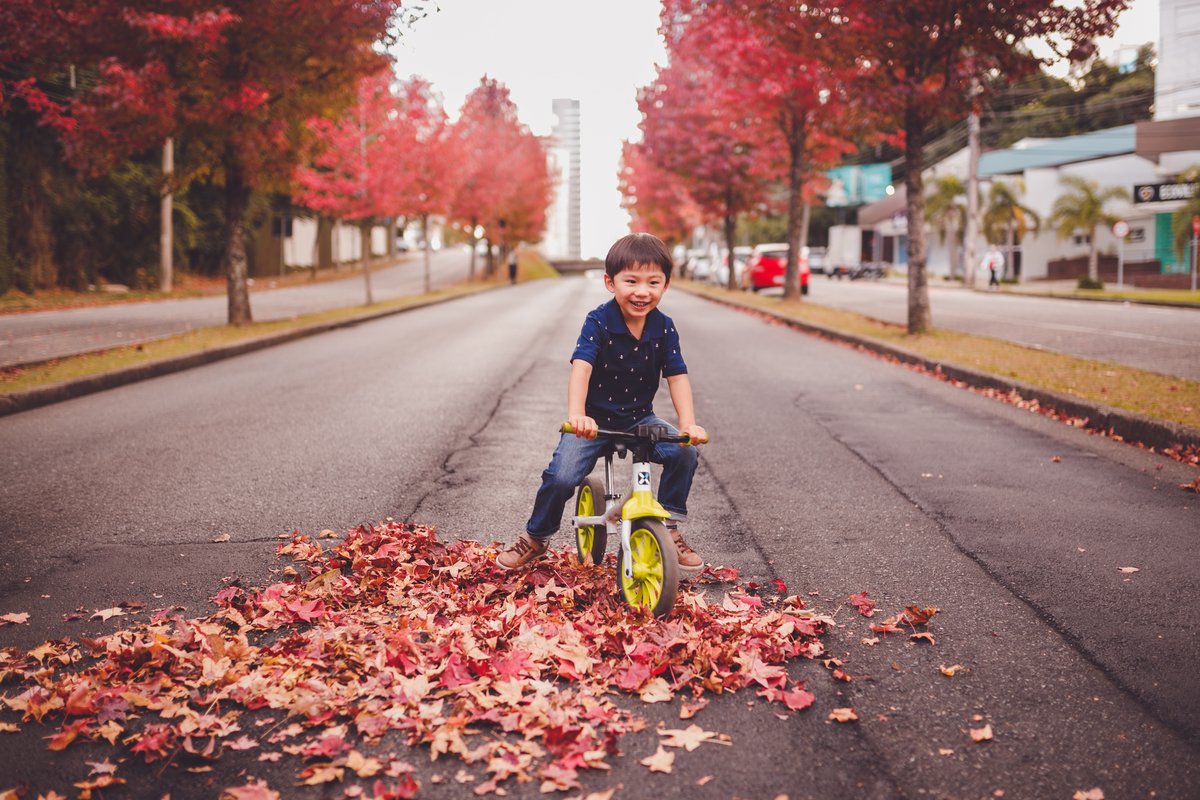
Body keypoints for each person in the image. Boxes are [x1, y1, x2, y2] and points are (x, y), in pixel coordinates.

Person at [496, 233, 708, 575]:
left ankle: (669, 527)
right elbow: (582, 368)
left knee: (685, 452)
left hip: (641, 418)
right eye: (631, 281)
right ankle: (535, 536)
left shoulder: (665, 328)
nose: (642, 291)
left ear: (666, 285)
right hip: (594, 421)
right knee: (562, 477)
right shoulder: (599, 321)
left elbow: (677, 376)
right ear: (611, 283)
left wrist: (688, 423)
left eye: (653, 282)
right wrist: (578, 415)